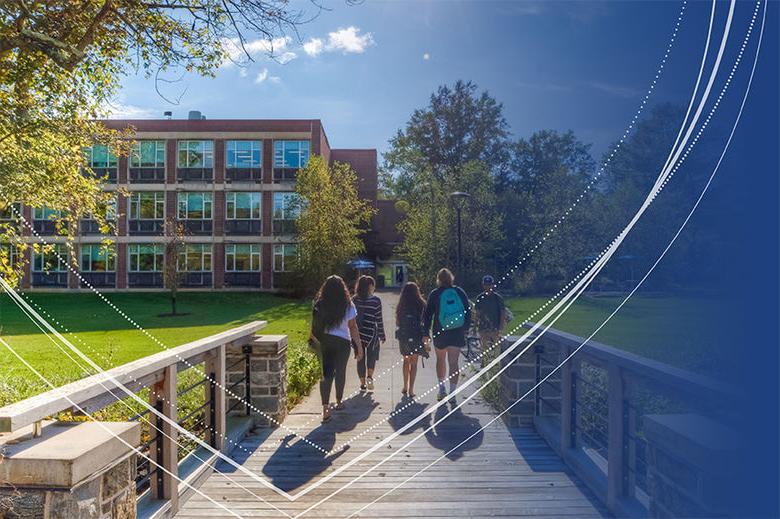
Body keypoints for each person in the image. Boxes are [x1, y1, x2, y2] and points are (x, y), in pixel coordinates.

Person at [310, 275, 364, 423]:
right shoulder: (348, 304)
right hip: (343, 343)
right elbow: (353, 327)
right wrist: (359, 346)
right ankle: (339, 401)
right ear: (343, 288)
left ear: (325, 288)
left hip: (326, 341)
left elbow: (314, 326)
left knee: (326, 374)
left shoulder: (320, 303)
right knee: (341, 372)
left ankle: (325, 407)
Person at [423, 268, 471, 402]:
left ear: (438, 279)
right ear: (451, 278)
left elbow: (427, 315)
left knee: (440, 360)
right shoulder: (459, 292)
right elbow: (468, 310)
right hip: (457, 331)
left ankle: (441, 388)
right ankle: (453, 393)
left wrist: (426, 333)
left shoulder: (435, 294)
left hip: (440, 331)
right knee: (454, 362)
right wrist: (466, 328)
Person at [395, 282, 429, 398]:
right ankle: (411, 390)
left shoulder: (401, 305)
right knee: (414, 363)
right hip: (416, 335)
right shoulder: (421, 303)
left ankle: (404, 386)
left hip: (404, 335)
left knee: (406, 361)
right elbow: (425, 322)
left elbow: (398, 322)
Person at [352, 275, 386, 392]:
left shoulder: (354, 300)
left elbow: (351, 319)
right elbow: (378, 319)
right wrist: (382, 334)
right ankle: (369, 378)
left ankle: (362, 384)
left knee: (360, 358)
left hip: (357, 333)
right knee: (371, 356)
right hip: (372, 333)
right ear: (370, 286)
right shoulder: (376, 300)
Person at [474, 275, 506, 352]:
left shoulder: (498, 298)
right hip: (483, 326)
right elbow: (477, 313)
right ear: (483, 285)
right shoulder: (480, 298)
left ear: (492, 285)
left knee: (496, 347)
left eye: (489, 284)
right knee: (484, 347)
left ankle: (495, 362)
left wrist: (501, 326)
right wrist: (475, 326)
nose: (488, 286)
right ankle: (484, 362)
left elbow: (502, 312)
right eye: (486, 284)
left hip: (495, 326)